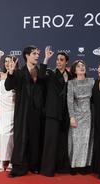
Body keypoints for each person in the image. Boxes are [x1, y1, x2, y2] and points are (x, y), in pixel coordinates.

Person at [5, 45, 45, 177]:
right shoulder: (19, 72)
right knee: (21, 138)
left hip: (37, 111)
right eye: (34, 53)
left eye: (38, 54)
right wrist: (10, 73)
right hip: (22, 111)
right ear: (27, 56)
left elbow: (44, 83)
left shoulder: (40, 71)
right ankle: (19, 168)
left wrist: (45, 61)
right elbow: (8, 86)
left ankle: (34, 166)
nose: (37, 56)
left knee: (35, 138)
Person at [39, 47, 71, 177]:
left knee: (63, 142)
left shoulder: (71, 76)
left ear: (66, 62)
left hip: (65, 113)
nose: (58, 62)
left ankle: (61, 167)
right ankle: (47, 169)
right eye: (57, 60)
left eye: (61, 60)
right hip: (52, 112)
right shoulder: (50, 74)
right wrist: (46, 58)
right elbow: (40, 76)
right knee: (50, 142)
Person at [67, 60, 94, 175]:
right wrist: (72, 117)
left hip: (88, 114)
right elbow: (70, 101)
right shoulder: (71, 83)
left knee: (86, 140)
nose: (82, 67)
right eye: (78, 66)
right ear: (74, 70)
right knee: (75, 140)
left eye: (83, 65)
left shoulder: (91, 81)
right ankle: (73, 165)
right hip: (76, 115)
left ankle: (84, 165)